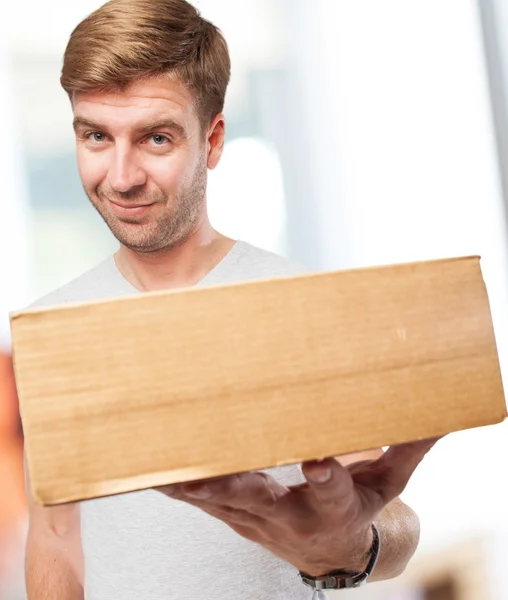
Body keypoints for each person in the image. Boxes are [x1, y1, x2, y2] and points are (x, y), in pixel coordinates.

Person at [24, 1, 438, 598]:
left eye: (156, 138)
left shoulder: (298, 304)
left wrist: (349, 548)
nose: (120, 176)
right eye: (95, 135)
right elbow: (56, 538)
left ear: (212, 141)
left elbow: (391, 523)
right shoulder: (51, 328)